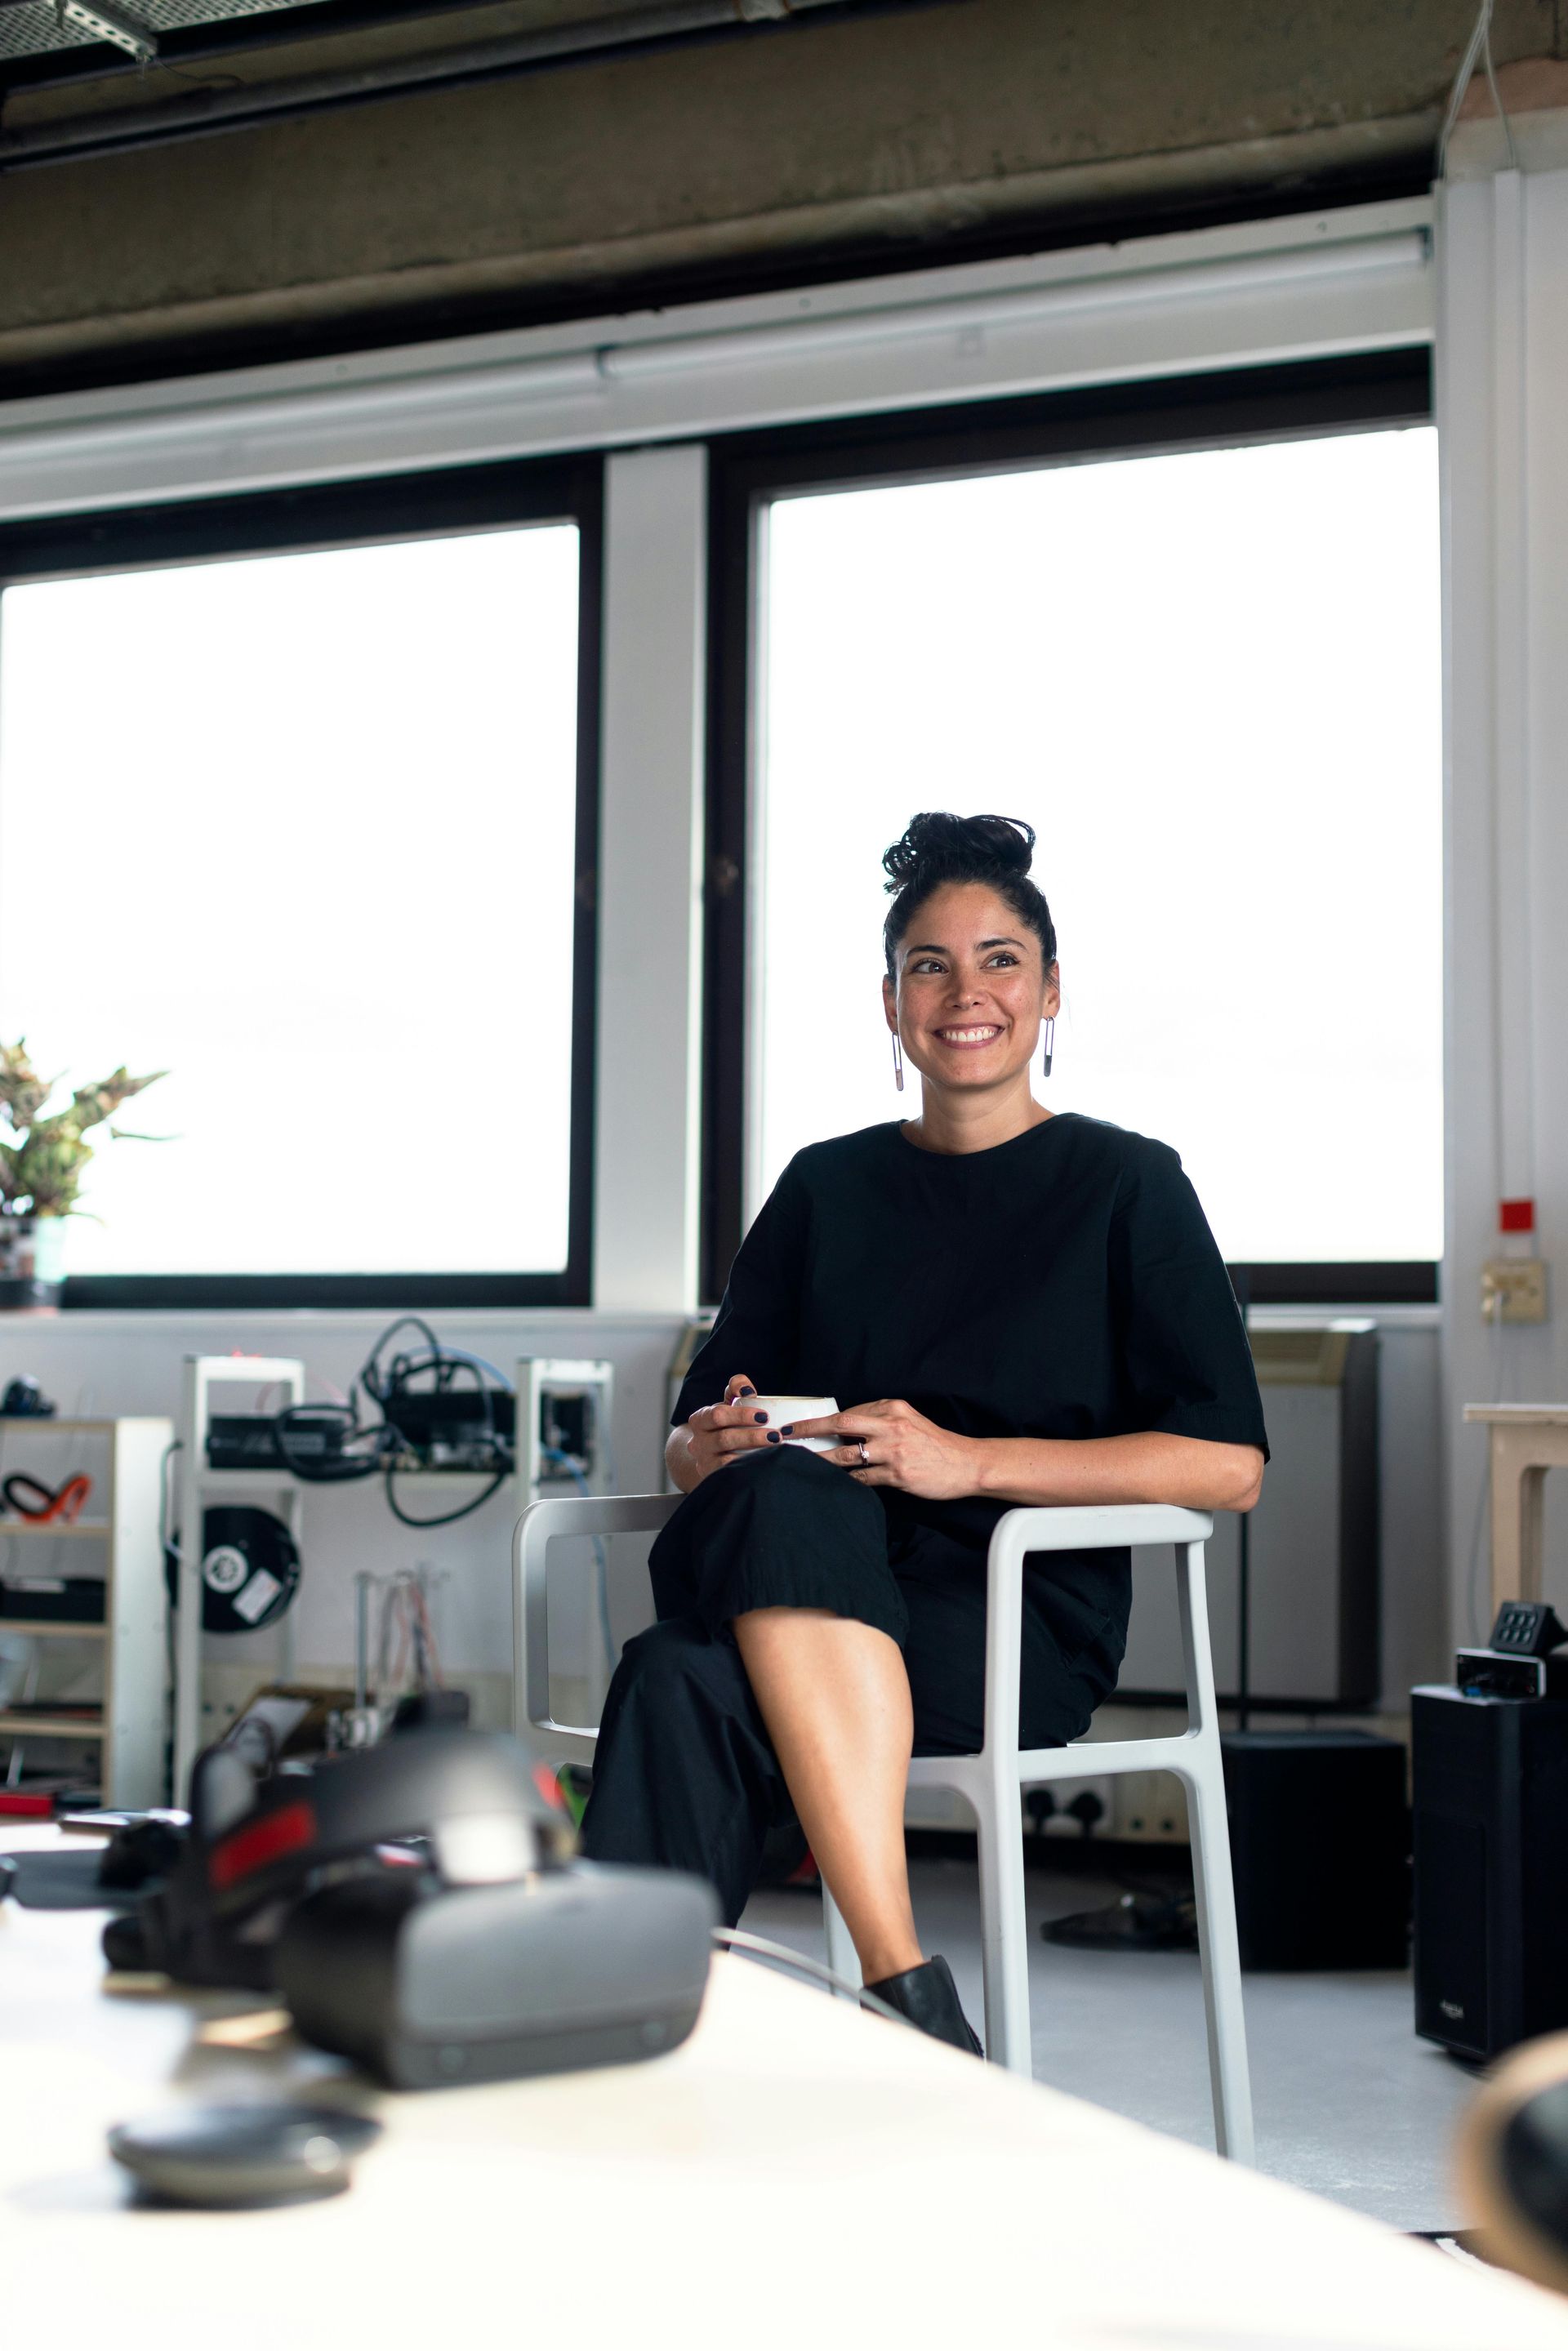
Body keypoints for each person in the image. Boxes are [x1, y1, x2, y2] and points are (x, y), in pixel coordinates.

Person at [581, 812, 1267, 2054]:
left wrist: (965, 1462)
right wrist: (704, 1451)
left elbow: (1227, 1465)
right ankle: (711, 2030)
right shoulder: (822, 1188)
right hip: (804, 1577)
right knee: (700, 1632)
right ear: (890, 1001)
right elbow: (697, 1432)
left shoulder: (1129, 1187)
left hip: (1005, 1621)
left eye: (1000, 960)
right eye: (930, 966)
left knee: (687, 1657)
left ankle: (796, 2003)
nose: (966, 994)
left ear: (1052, 991)